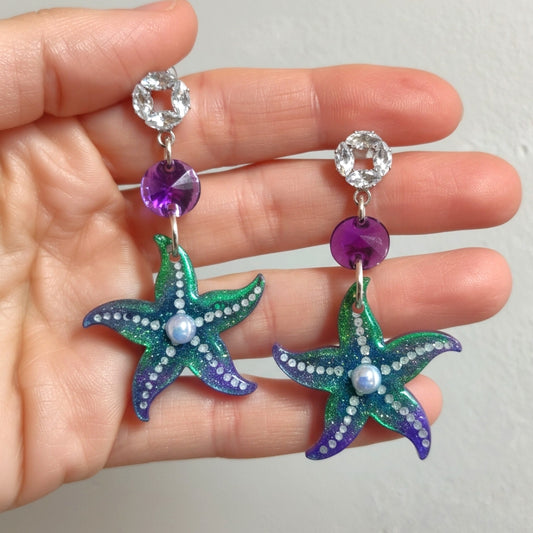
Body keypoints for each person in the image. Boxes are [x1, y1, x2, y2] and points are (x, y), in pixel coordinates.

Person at [0, 0, 520, 511]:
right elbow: (223, 312)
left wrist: (271, 315)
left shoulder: (201, 318)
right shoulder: (175, 311)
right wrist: (174, 263)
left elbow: (245, 310)